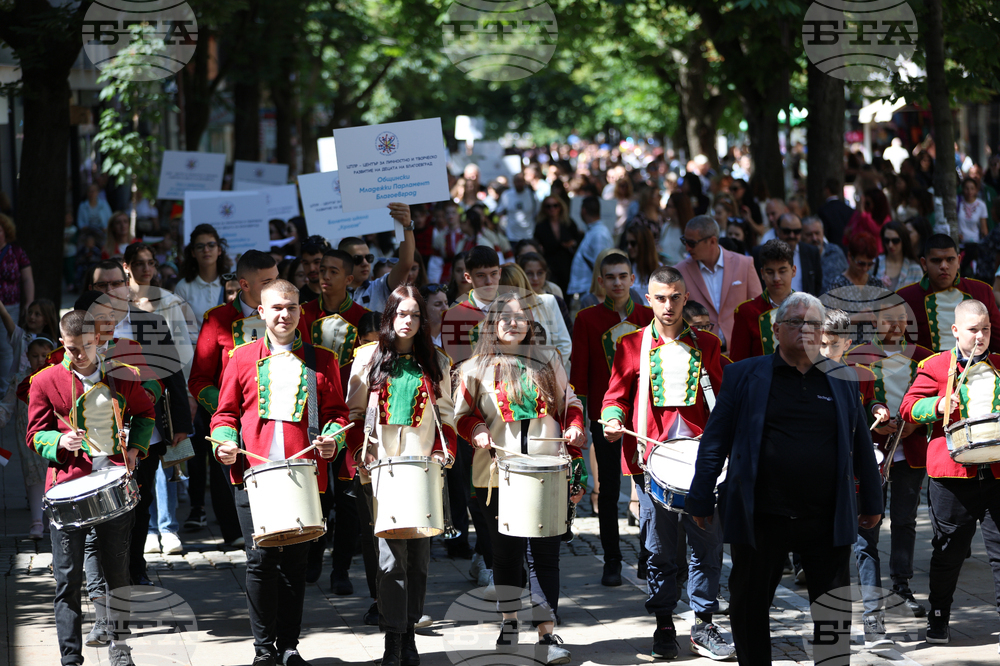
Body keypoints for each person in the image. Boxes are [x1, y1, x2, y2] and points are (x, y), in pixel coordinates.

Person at [688, 293, 883, 666]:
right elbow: (715, 440)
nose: (804, 329)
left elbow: (861, 442)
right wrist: (700, 498)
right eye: (795, 322)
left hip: (826, 516)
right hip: (762, 515)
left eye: (812, 323)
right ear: (776, 330)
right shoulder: (744, 375)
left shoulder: (842, 379)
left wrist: (872, 501)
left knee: (832, 613)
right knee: (748, 606)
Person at [210, 279, 348, 666]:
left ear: (300, 311)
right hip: (253, 474)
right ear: (261, 312)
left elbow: (337, 413)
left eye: (290, 307)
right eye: (276, 308)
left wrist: (333, 440)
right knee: (260, 561)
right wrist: (223, 442)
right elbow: (224, 414)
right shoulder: (239, 357)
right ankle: (262, 650)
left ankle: (289, 646)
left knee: (295, 563)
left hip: (303, 474)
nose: (283, 314)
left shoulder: (323, 359)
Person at [602, 266, 734, 661]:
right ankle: (663, 624)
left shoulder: (708, 345)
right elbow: (615, 396)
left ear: (685, 297)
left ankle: (704, 623)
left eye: (676, 297)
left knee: (706, 548)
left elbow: (725, 403)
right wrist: (612, 419)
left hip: (701, 465)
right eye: (661, 297)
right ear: (649, 300)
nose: (669, 305)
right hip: (651, 463)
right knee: (659, 550)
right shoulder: (629, 345)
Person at [454, 291, 587, 665]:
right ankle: (510, 623)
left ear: (530, 324)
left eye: (520, 318)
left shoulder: (551, 360)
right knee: (507, 555)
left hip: (548, 470)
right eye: (505, 318)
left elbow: (570, 405)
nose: (513, 323)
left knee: (546, 554)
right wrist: (477, 429)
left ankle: (546, 631)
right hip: (497, 476)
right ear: (492, 325)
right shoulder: (474, 368)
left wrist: (575, 430)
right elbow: (460, 416)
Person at [27, 309, 156, 666]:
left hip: (112, 484)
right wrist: (58, 441)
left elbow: (146, 414)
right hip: (67, 487)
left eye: (84, 347)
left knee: (117, 574)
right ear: (62, 344)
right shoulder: (44, 381)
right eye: (71, 349)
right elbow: (34, 434)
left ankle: (120, 648)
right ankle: (70, 658)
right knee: (67, 581)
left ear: (97, 340)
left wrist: (134, 450)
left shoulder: (123, 376)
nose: (78, 355)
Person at [346, 286, 457, 666]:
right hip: (382, 473)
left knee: (419, 559)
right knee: (391, 559)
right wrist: (360, 454)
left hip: (423, 471)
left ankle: (409, 635)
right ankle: (393, 638)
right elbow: (354, 416)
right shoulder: (366, 359)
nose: (407, 321)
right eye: (401, 314)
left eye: (414, 315)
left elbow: (448, 419)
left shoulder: (437, 362)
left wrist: (444, 454)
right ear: (389, 317)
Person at [899, 299, 1000, 645]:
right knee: (949, 551)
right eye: (973, 330)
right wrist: (939, 405)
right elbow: (908, 407)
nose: (980, 336)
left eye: (985, 329)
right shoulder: (937, 365)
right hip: (953, 475)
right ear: (956, 330)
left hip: (996, 473)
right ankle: (938, 615)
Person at [843, 296, 934, 622]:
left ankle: (901, 585)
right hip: (871, 451)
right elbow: (861, 400)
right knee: (869, 522)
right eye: (887, 319)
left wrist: (915, 422)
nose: (894, 326)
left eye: (900, 319)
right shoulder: (857, 356)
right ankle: (871, 598)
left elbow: (936, 398)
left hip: (910, 449)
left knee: (906, 520)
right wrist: (876, 412)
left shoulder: (924, 358)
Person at [570, 252, 653, 586]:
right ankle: (613, 559)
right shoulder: (587, 319)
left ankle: (650, 556)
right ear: (600, 282)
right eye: (611, 277)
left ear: (633, 279)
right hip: (606, 417)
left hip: (646, 416)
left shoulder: (649, 316)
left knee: (648, 486)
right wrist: (582, 418)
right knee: (607, 489)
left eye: (623, 276)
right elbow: (579, 372)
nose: (618, 283)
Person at [188, 250, 279, 547]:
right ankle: (236, 534)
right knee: (230, 481)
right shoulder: (217, 320)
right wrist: (229, 408)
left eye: (276, 279)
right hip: (232, 423)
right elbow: (199, 380)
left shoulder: (288, 314)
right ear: (244, 284)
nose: (274, 286)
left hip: (278, 420)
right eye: (267, 281)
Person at [295, 247, 369, 593]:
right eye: (321, 269)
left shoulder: (364, 317)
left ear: (350, 279)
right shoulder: (302, 313)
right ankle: (313, 555)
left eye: (333, 271)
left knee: (349, 497)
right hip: (314, 414)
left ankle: (341, 569)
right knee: (316, 492)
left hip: (353, 418)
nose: (323, 276)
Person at [897, 234, 1000, 352]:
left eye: (950, 260)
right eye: (936, 261)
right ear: (924, 264)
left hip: (975, 367)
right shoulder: (905, 298)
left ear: (958, 261)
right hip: (926, 368)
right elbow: (898, 345)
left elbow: (997, 340)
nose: (944, 266)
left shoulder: (981, 291)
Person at [674, 215, 762, 350]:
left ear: (712, 241)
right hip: (700, 352)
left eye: (691, 243)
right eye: (684, 241)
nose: (687, 248)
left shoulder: (744, 264)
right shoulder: (679, 271)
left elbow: (758, 309)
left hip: (740, 351)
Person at [0, 335, 53, 539]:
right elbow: (7, 404)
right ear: (27, 357)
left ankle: (52, 518)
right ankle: (37, 521)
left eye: (44, 355)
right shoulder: (21, 379)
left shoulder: (56, 376)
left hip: (53, 435)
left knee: (52, 475)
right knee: (33, 476)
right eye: (35, 355)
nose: (40, 359)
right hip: (28, 436)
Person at [339, 203, 416, 312]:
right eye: (358, 259)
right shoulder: (332, 294)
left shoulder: (380, 287)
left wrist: (407, 226)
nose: (365, 263)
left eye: (369, 258)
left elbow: (405, 264)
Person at [728, 240, 796, 362]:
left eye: (782, 271)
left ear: (794, 271)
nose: (776, 278)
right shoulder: (746, 311)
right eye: (770, 272)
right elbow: (738, 364)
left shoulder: (809, 307)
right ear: (762, 273)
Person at [174, 224, 231, 329]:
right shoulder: (183, 287)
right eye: (200, 246)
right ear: (193, 252)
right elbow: (178, 328)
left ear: (219, 250)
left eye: (211, 245)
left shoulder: (231, 283)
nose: (206, 250)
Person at [753, 213, 822, 296]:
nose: (792, 235)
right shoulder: (760, 252)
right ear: (778, 230)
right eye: (787, 231)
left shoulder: (811, 252)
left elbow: (817, 284)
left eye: (796, 231)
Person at [533, 196, 582, 295]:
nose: (552, 209)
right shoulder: (540, 226)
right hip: (549, 263)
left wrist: (572, 243)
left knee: (567, 293)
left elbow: (578, 238)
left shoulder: (568, 223)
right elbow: (536, 242)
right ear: (544, 209)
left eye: (555, 205)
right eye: (548, 206)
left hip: (566, 263)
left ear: (560, 207)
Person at [568, 196, 614, 297]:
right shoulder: (594, 231)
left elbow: (601, 266)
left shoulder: (599, 234)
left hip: (590, 292)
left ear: (583, 211)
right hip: (587, 291)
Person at [517, 253, 572, 334]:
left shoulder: (556, 301)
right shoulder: (515, 302)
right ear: (521, 275)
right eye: (529, 273)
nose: (535, 278)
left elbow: (569, 334)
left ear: (546, 273)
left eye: (540, 273)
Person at [802, 216, 848, 294]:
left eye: (817, 233)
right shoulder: (799, 257)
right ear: (801, 236)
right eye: (809, 235)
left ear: (823, 232)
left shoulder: (835, 252)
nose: (814, 238)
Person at [873, 220, 923, 290]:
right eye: (886, 240)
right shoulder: (874, 264)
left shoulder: (915, 268)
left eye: (895, 241)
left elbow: (918, 297)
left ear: (904, 240)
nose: (890, 245)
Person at [621, 222, 661, 297]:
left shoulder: (659, 270)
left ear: (644, 244)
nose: (629, 247)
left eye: (633, 243)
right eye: (627, 243)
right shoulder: (625, 267)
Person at [496, 173, 538, 242]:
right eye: (517, 181)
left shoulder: (532, 195)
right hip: (511, 236)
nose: (519, 184)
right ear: (513, 182)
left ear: (524, 182)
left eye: (521, 181)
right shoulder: (507, 195)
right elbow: (499, 212)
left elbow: (536, 212)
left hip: (528, 235)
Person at [298, 235, 332, 305]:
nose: (311, 268)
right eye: (306, 263)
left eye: (317, 262)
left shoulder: (342, 293)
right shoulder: (297, 299)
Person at [958, 176, 989, 247]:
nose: (969, 191)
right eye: (966, 188)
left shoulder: (981, 205)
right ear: (963, 189)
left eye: (972, 188)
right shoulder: (958, 202)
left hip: (975, 243)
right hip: (960, 243)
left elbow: (984, 228)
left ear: (976, 190)